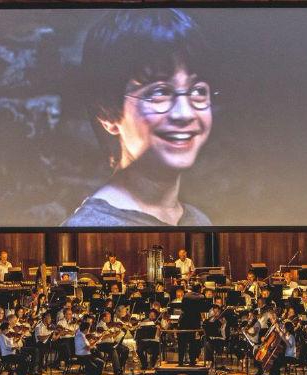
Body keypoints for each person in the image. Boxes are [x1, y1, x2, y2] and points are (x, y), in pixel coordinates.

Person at [64, 9, 215, 227]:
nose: (185, 113)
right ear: (107, 114)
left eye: (198, 91)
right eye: (159, 92)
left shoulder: (199, 221)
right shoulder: (91, 229)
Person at [179, 284, 206, 366]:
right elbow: (203, 309)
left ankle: (180, 361)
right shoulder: (201, 297)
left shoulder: (186, 295)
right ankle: (192, 361)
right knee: (193, 342)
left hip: (184, 320)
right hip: (194, 321)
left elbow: (182, 307)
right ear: (199, 289)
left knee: (182, 342)